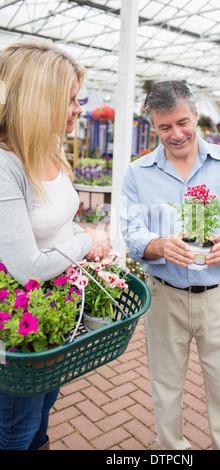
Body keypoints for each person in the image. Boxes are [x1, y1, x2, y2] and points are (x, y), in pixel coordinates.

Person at [120, 81, 220, 450]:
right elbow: (132, 231)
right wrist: (157, 245)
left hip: (219, 295)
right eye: (165, 127)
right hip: (164, 297)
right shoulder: (138, 173)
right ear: (153, 126)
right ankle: (171, 450)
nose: (176, 134)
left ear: (196, 114)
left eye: (183, 122)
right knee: (165, 389)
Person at [0, 38, 110, 450]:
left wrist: (81, 236)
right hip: (17, 329)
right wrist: (86, 240)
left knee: (43, 411)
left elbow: (54, 222)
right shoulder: (4, 165)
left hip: (53, 312)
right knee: (17, 426)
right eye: (70, 99)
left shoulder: (48, 145)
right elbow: (27, 267)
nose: (80, 108)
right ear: (37, 99)